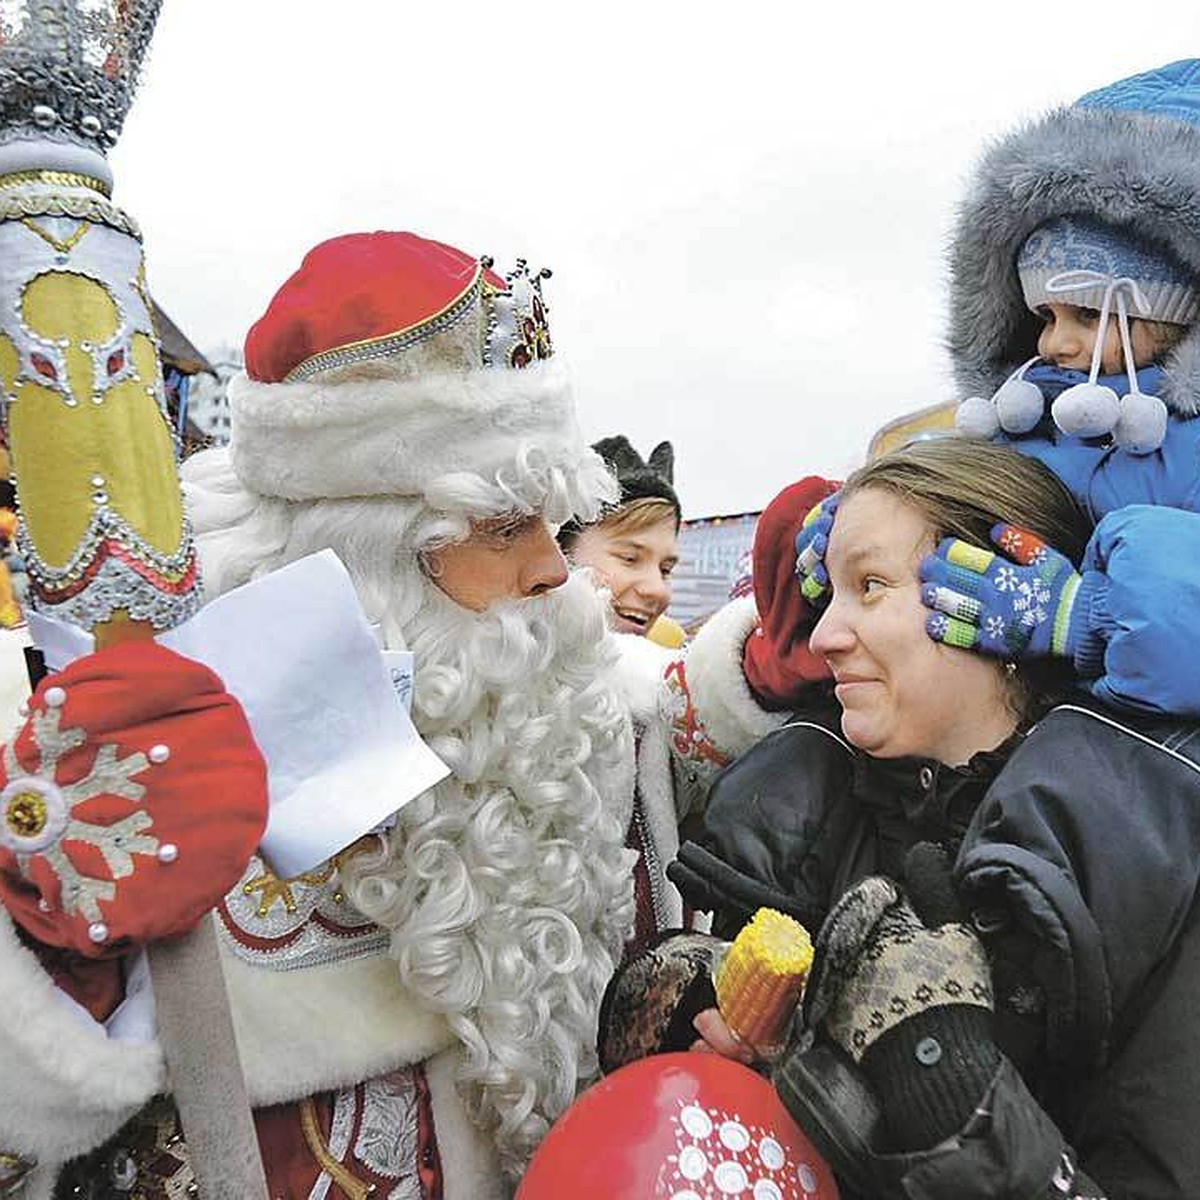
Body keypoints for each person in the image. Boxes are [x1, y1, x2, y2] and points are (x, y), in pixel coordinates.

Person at [0, 231, 641, 1198]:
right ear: (368, 555)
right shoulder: (112, 741)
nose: (556, 570)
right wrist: (60, 947)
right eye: (507, 529)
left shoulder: (573, 704)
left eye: (558, 528)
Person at [665, 438, 1200, 1198]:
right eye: (830, 596)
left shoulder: (1141, 862)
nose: (824, 637)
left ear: (997, 607)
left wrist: (955, 1090)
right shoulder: (808, 817)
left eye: (871, 586)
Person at [923, 59, 1200, 717]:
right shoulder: (1021, 424)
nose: (1054, 344)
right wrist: (875, 526)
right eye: (1044, 316)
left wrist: (1087, 618)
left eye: (1088, 317)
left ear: (1178, 313)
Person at [558, 435, 682, 645]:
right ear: (558, 552)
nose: (657, 590)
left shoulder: (671, 667)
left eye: (665, 570)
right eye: (630, 558)